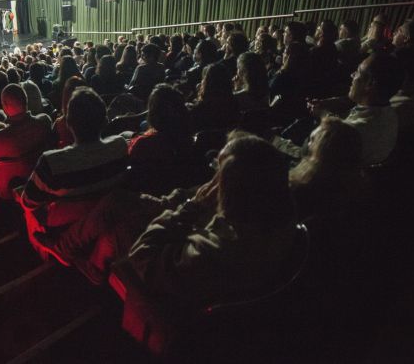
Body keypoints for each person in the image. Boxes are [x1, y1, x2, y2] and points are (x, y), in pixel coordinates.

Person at [127, 131, 299, 308]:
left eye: (219, 171)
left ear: (230, 185)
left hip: (179, 311)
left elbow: (142, 255)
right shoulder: (285, 222)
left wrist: (192, 207)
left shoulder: (211, 251)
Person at [20, 88, 129, 257]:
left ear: (69, 123)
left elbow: (28, 202)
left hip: (64, 227)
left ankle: (42, 253)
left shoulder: (51, 162)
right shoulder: (121, 146)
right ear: (104, 120)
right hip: (109, 222)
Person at [308, 53, 403, 166]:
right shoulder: (391, 116)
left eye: (358, 71)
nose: (352, 75)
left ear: (370, 83)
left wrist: (322, 114)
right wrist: (327, 107)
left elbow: (309, 158)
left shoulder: (351, 133)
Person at [289, 116, 365, 219]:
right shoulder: (357, 188)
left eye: (312, 140)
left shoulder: (304, 189)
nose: (308, 145)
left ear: (322, 150)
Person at [0, 84, 52, 171]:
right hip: (40, 174)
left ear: (4, 105)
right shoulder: (45, 121)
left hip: (10, 182)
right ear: (26, 100)